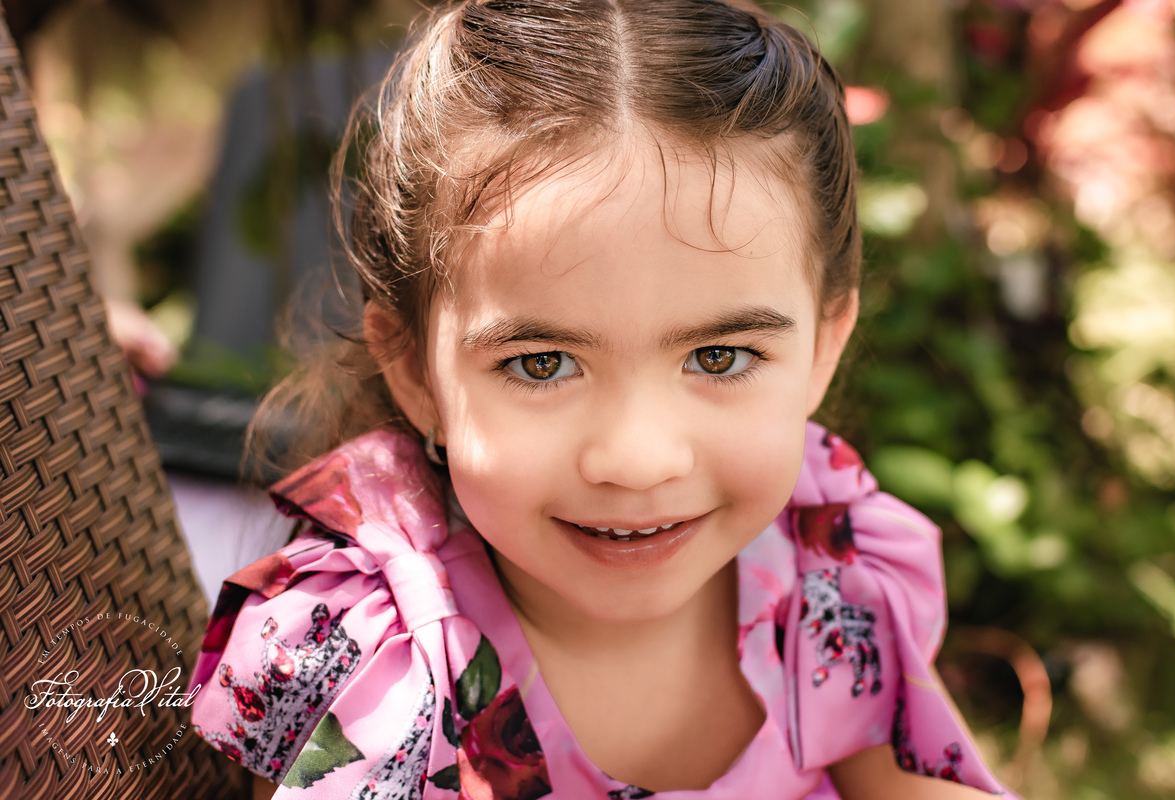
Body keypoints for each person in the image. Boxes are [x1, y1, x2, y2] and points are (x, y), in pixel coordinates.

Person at [187, 1, 1019, 798]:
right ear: (415, 372)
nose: (637, 459)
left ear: (821, 351)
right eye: (543, 363)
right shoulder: (377, 661)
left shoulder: (822, 567)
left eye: (720, 356)